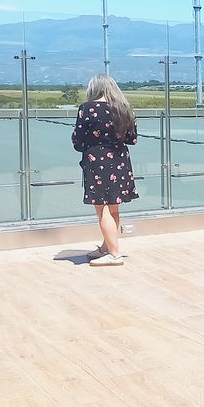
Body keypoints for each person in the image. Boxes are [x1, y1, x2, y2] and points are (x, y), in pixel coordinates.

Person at [71, 74, 138, 266]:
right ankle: (107, 246)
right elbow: (132, 139)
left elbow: (78, 141)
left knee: (102, 210)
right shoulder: (123, 108)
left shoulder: (87, 109)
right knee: (114, 208)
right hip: (120, 160)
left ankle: (114, 253)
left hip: (96, 161)